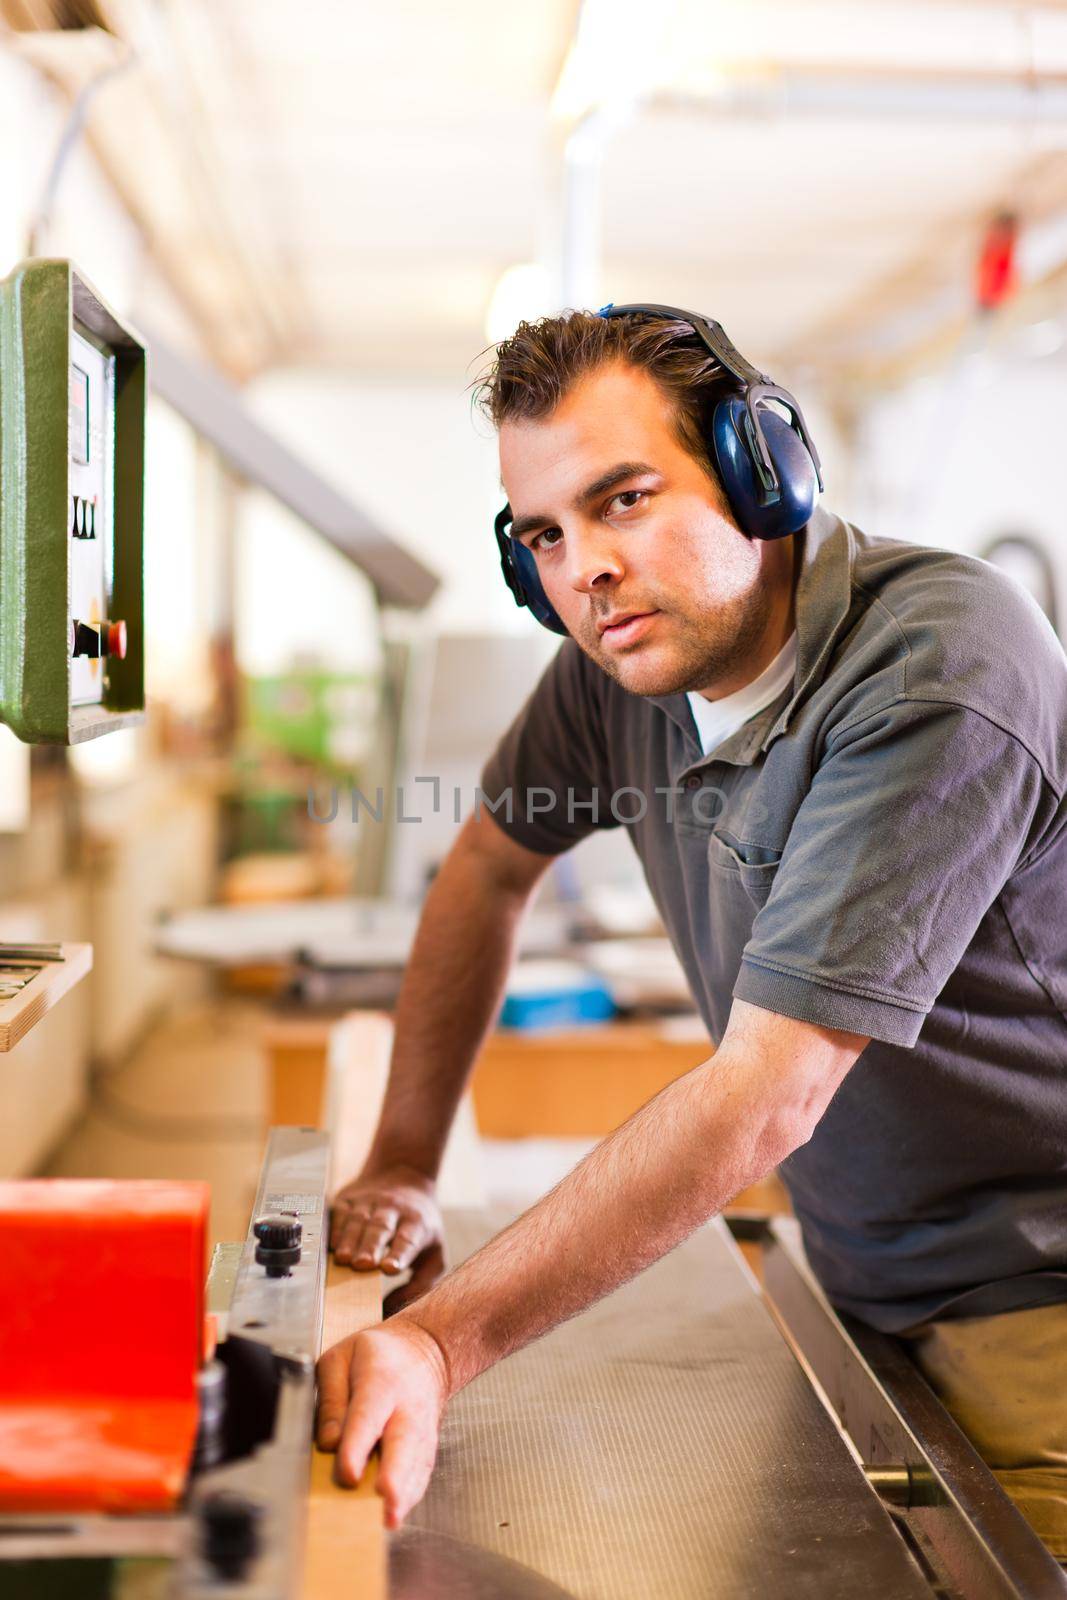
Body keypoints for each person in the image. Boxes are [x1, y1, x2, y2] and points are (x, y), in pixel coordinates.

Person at [315, 306, 1067, 1552]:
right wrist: (401, 1156)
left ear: (759, 468)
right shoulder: (614, 676)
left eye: (621, 499)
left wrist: (437, 1344)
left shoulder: (937, 664)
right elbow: (484, 871)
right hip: (862, 1278)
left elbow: (765, 1095)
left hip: (1032, 1302)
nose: (584, 570)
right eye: (542, 536)